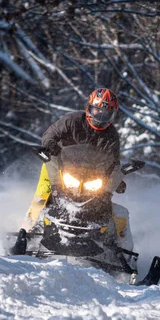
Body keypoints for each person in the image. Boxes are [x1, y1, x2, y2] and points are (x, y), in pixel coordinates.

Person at [25, 88, 125, 231]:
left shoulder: (111, 135)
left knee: (104, 202)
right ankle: (26, 230)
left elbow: (113, 160)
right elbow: (50, 133)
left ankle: (112, 241)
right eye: (97, 110)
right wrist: (50, 145)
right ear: (89, 107)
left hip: (92, 175)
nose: (100, 116)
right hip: (58, 167)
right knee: (43, 195)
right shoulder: (72, 120)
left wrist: (117, 180)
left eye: (106, 113)